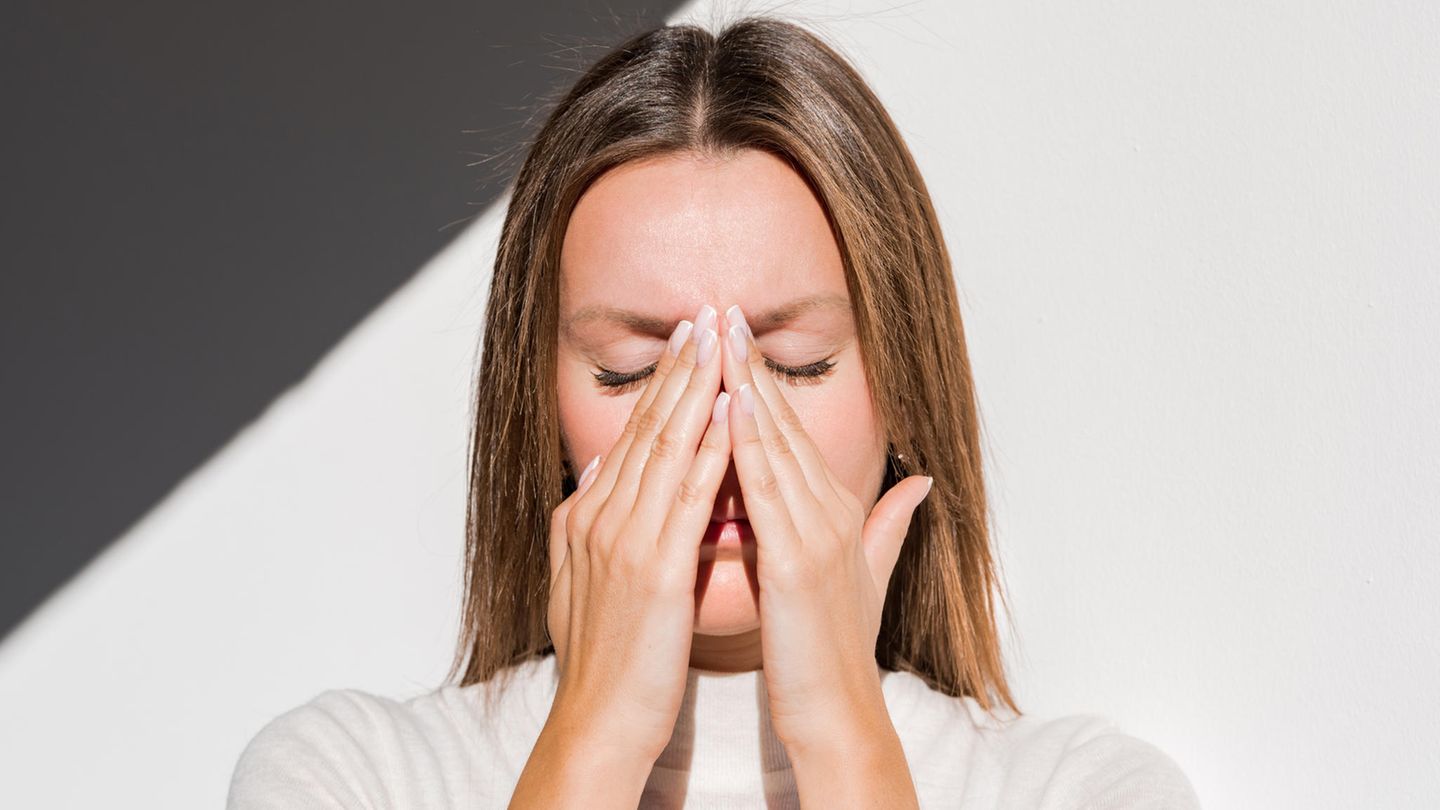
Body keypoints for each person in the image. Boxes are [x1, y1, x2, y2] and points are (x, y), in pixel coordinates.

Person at [227, 16, 1202, 809]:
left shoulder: (1081, 792)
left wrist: (840, 731)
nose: (720, 429)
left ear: (905, 386)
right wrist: (596, 734)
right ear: (540, 406)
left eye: (794, 364)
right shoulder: (351, 777)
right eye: (634, 371)